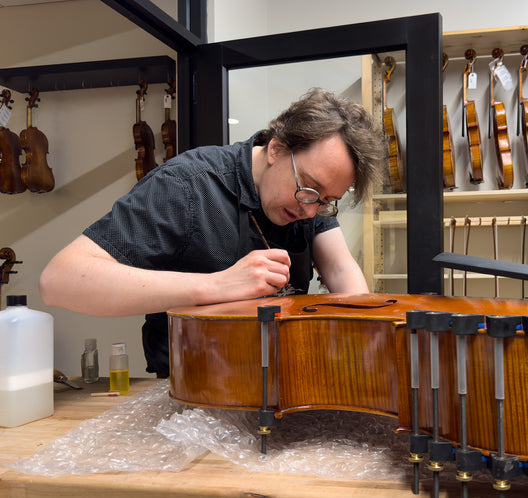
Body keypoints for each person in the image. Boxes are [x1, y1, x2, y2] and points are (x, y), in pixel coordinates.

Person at [40, 88, 386, 377]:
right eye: (308, 189)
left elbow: (341, 269)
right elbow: (59, 281)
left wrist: (366, 338)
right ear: (277, 150)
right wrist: (216, 286)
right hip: (193, 389)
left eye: (326, 200)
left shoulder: (310, 200)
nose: (310, 210)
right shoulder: (186, 185)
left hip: (285, 379)